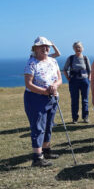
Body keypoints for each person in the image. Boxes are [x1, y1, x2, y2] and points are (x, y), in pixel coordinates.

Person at [24, 36, 62, 167]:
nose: (45, 48)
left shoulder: (53, 61)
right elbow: (28, 84)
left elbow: (59, 79)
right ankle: (37, 157)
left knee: (48, 125)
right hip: (35, 98)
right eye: (42, 46)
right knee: (38, 126)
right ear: (35, 48)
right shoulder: (32, 63)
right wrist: (43, 91)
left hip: (52, 97)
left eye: (47, 46)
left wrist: (55, 86)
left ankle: (46, 150)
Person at [63, 41, 91, 124]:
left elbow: (90, 70)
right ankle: (75, 118)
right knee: (74, 100)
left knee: (85, 100)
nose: (77, 49)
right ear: (73, 49)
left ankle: (85, 117)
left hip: (84, 81)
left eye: (79, 47)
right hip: (73, 81)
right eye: (76, 47)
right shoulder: (70, 58)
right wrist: (68, 78)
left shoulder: (85, 58)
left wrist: (89, 79)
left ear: (82, 48)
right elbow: (64, 69)